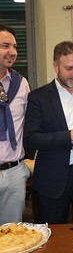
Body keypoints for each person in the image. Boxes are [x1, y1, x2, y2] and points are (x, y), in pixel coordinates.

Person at [23, 41, 73, 224]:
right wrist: (69, 135)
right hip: (52, 179)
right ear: (55, 66)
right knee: (52, 236)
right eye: (69, 68)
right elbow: (30, 139)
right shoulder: (38, 97)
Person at [0, 25, 31, 225]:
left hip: (14, 174)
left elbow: (30, 124)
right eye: (5, 46)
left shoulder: (22, 84)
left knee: (13, 235)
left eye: (14, 46)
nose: (12, 52)